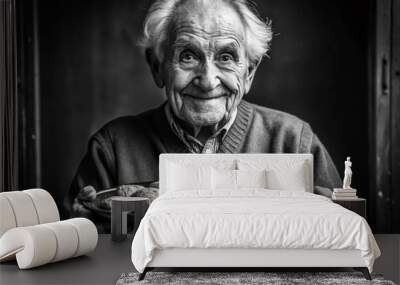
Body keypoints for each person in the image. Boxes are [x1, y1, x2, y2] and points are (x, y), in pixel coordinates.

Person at [64, 0, 341, 231]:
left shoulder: (294, 141)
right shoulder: (112, 147)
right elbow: (76, 252)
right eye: (188, 56)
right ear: (157, 67)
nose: (208, 81)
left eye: (226, 57)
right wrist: (85, 231)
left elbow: (343, 240)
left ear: (249, 73)